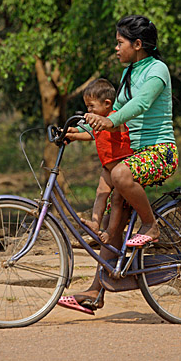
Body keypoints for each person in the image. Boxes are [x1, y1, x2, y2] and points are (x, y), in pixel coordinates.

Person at [58, 14, 178, 314]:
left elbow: (139, 106)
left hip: (160, 152)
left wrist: (108, 119)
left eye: (120, 42)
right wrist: (75, 133)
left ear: (137, 44)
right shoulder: (129, 73)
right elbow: (115, 117)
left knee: (120, 173)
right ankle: (96, 292)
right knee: (113, 225)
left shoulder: (157, 70)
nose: (116, 48)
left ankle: (151, 225)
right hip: (133, 155)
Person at [66, 78, 133, 242]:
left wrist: (102, 122)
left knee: (117, 200)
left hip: (120, 167)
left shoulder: (114, 119)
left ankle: (110, 232)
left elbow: (115, 127)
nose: (88, 110)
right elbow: (90, 135)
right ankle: (95, 223)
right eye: (87, 106)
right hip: (107, 168)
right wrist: (71, 134)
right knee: (100, 194)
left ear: (107, 103)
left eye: (91, 106)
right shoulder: (99, 122)